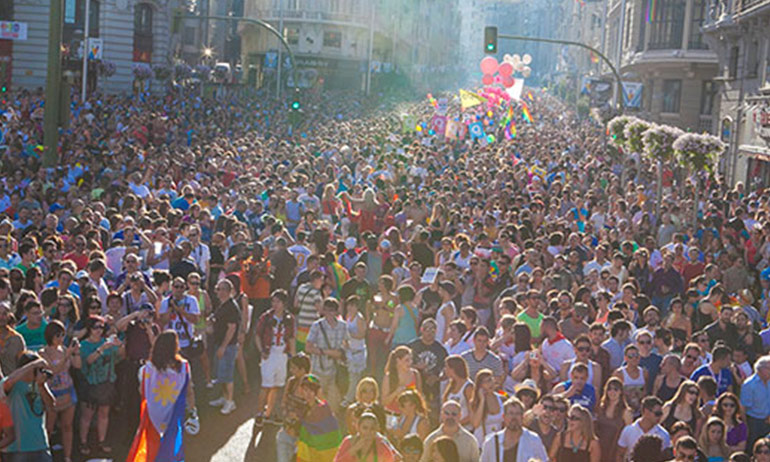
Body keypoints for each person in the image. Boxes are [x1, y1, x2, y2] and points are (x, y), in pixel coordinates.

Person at [127, 330, 196, 462]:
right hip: (174, 415)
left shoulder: (145, 370)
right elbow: (189, 391)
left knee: (151, 450)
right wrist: (193, 411)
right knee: (171, 449)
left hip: (152, 417)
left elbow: (142, 392)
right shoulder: (184, 367)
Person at [78, 315, 122, 456]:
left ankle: (101, 441)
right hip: (90, 384)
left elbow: (120, 355)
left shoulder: (107, 342)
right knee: (87, 416)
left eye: (102, 327)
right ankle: (83, 441)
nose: (99, 330)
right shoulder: (84, 345)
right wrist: (102, 348)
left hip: (106, 384)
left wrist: (119, 344)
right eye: (96, 327)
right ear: (89, 328)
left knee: (104, 414)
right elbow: (89, 361)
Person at [2, 351, 56, 462]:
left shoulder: (39, 383)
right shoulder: (13, 383)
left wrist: (41, 386)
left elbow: (51, 404)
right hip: (17, 449)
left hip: (39, 445)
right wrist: (34, 364)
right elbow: (7, 383)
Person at [39, 321, 81, 462]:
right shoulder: (43, 353)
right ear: (50, 335)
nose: (61, 338)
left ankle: (67, 457)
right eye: (58, 335)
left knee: (67, 426)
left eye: (63, 335)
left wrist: (75, 353)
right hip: (51, 393)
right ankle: (45, 455)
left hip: (67, 390)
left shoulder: (64, 349)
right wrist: (66, 355)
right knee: (49, 428)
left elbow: (78, 365)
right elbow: (53, 371)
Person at [254, 288, 295, 425]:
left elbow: (291, 338)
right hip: (269, 354)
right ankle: (259, 413)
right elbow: (258, 335)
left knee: (277, 385)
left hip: (282, 354)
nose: (274, 304)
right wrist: (262, 351)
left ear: (284, 303)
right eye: (273, 301)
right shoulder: (266, 317)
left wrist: (292, 357)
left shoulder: (289, 319)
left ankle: (269, 412)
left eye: (278, 302)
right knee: (265, 385)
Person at [306, 297, 349, 413]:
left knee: (333, 406)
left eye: (332, 310)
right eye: (326, 310)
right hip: (317, 370)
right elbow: (308, 347)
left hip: (334, 372)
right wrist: (327, 352)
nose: (329, 313)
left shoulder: (343, 326)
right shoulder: (317, 325)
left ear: (336, 311)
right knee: (314, 403)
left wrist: (341, 352)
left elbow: (348, 345)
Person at [208, 279, 241, 415]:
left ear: (228, 291)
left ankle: (230, 401)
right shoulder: (222, 305)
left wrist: (223, 347)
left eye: (221, 289)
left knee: (227, 375)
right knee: (221, 374)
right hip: (219, 343)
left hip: (228, 346)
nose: (218, 292)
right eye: (218, 288)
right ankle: (224, 397)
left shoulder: (231, 307)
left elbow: (232, 328)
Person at [480, 397, 548, 462]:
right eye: (511, 413)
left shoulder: (533, 439)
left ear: (522, 417)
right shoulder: (491, 441)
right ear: (504, 417)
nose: (514, 417)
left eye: (517, 413)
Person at [295, 374, 343, 462]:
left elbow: (332, 434)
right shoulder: (301, 408)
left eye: (312, 390)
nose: (309, 394)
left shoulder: (324, 409)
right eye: (306, 390)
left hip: (323, 453)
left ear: (317, 392)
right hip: (307, 452)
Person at [407, 317, 447, 414]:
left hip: (433, 390)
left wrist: (437, 377)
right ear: (421, 330)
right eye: (427, 329)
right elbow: (401, 365)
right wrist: (416, 367)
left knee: (432, 416)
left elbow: (447, 370)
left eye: (432, 330)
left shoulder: (440, 349)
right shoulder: (412, 346)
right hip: (413, 387)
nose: (429, 332)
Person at [618, 396, 672, 462]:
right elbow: (620, 455)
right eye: (657, 414)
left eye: (661, 414)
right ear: (646, 412)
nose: (660, 417)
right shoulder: (628, 430)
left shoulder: (664, 435)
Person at [334, 412, 400, 462]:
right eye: (365, 428)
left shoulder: (381, 444)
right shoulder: (349, 441)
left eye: (372, 428)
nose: (368, 432)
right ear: (358, 428)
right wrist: (354, 449)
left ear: (377, 429)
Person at [597, 377, 634, 462]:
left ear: (621, 392)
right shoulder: (601, 407)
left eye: (615, 389)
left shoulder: (626, 411)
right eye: (609, 389)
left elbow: (629, 432)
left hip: (616, 448)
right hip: (600, 447)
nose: (612, 392)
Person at [740, 356, 770, 453]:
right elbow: (743, 407)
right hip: (754, 421)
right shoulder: (749, 384)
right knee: (754, 448)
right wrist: (746, 426)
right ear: (761, 369)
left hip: (768, 419)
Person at [381, 346, 423, 415]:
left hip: (410, 415)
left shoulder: (415, 374)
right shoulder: (389, 377)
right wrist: (396, 392)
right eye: (407, 360)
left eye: (411, 359)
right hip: (392, 415)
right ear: (398, 360)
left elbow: (420, 396)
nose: (410, 363)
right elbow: (384, 402)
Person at [470, 368, 505, 446]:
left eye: (490, 380)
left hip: (498, 443)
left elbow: (507, 395)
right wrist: (482, 400)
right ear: (480, 385)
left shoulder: (501, 397)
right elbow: (475, 424)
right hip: (481, 444)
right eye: (485, 382)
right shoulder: (475, 402)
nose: (490, 384)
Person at [442, 355, 474, 427]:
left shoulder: (468, 387)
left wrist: (457, 424)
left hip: (465, 428)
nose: (445, 369)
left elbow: (472, 413)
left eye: (447, 367)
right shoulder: (450, 384)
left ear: (453, 369)